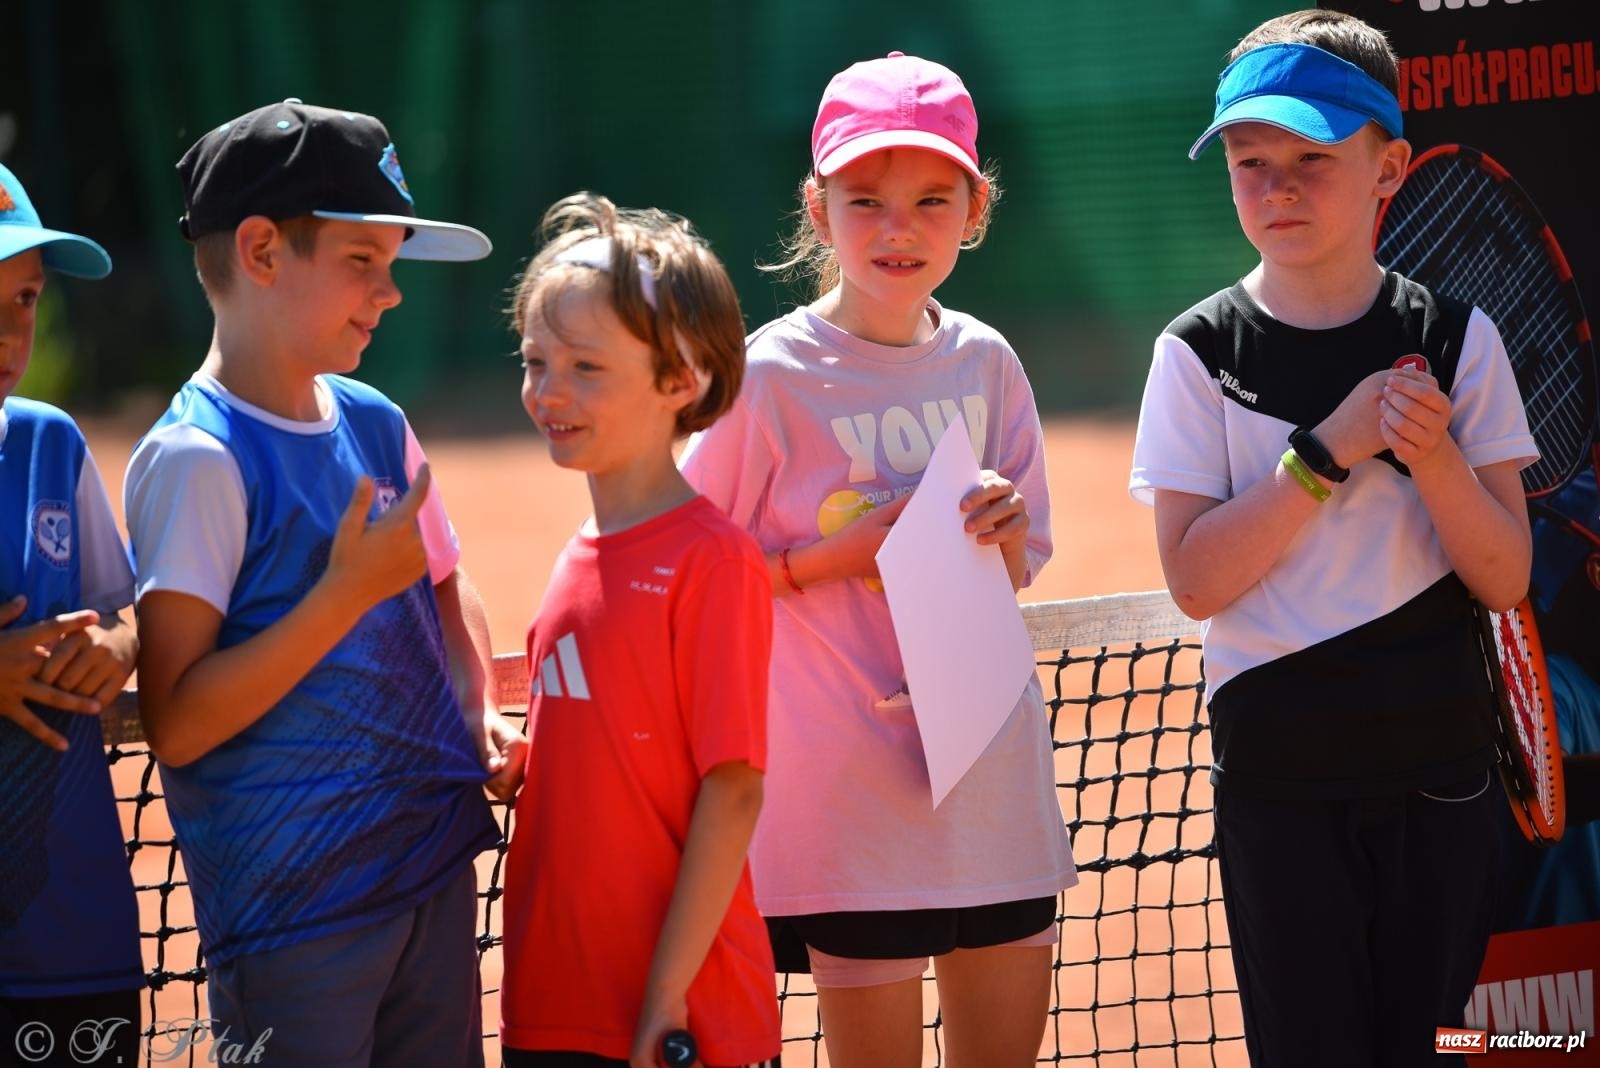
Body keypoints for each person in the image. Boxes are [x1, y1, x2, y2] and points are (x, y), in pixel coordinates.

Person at [1129, 10, 1536, 1065]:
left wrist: (1433, 457)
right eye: (1250, 163)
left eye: (1312, 158)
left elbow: (1504, 576)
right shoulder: (1194, 353)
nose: (1279, 187)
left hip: (1439, 772)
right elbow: (1194, 581)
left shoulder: (1458, 339)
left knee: (1428, 1048)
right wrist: (1326, 450)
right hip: (1277, 779)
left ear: (1388, 167)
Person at [680, 53, 1077, 1068]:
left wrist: (1003, 526)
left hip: (991, 786)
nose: (899, 228)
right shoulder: (768, 376)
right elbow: (688, 570)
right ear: (819, 211)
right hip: (846, 803)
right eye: (866, 200)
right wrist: (830, 559)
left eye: (932, 200)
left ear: (973, 211)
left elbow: (1019, 563)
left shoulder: (988, 362)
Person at [123, 100, 525, 1067]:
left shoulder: (376, 420)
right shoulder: (197, 459)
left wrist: (474, 701)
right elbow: (178, 721)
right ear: (261, 252)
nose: (391, 292)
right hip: (294, 921)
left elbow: (443, 579)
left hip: (430, 875)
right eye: (361, 261)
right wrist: (342, 595)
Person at [498, 193, 780, 1068]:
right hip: (552, 1004)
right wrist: (528, 756)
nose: (549, 390)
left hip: (675, 1020)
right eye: (535, 360)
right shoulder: (575, 556)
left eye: (586, 367)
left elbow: (733, 790)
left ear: (681, 381)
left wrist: (663, 997)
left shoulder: (713, 561)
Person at [0, 162, 143, 1068]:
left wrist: (121, 643)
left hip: (73, 944)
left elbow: (129, 608)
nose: (9, 332)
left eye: (24, 298)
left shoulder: (50, 442)